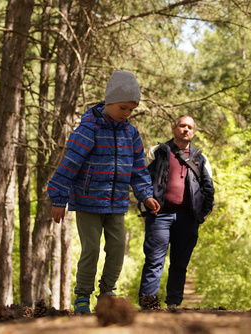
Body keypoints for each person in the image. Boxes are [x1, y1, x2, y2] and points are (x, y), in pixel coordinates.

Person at [47, 70, 160, 314]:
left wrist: (146, 195)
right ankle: (82, 298)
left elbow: (139, 171)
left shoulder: (131, 134)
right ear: (109, 101)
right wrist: (58, 198)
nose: (126, 114)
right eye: (122, 107)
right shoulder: (89, 130)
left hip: (117, 204)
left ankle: (107, 293)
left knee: (118, 248)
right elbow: (69, 165)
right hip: (88, 202)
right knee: (91, 250)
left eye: (131, 109)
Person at [138, 115, 215, 310]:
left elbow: (209, 188)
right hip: (159, 217)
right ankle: (148, 304)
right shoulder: (157, 152)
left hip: (188, 219)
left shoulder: (200, 158)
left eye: (190, 127)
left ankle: (173, 304)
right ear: (174, 128)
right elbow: (142, 181)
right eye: (182, 126)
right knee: (154, 261)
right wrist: (146, 210)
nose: (186, 130)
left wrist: (201, 216)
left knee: (180, 263)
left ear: (194, 132)